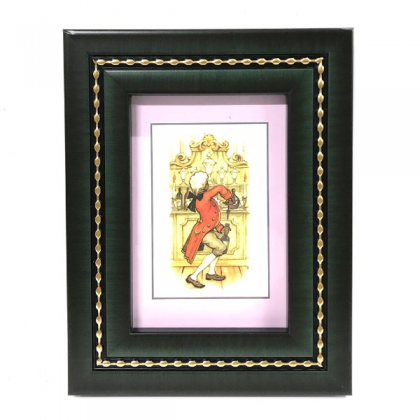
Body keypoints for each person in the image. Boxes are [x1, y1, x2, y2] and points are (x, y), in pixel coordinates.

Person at [182, 172, 232, 288]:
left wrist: (220, 228)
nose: (208, 185)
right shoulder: (204, 197)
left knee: (222, 244)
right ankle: (193, 276)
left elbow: (211, 218)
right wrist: (228, 196)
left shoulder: (205, 197)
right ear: (204, 186)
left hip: (207, 229)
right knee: (221, 247)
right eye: (206, 183)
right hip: (203, 232)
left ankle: (211, 273)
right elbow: (220, 188)